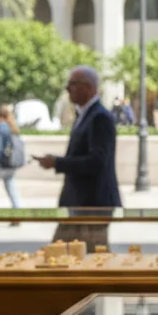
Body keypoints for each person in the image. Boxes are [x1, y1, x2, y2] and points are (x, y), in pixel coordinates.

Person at [34, 66, 121, 246]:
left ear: (89, 88)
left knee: (86, 259)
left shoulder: (99, 117)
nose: (68, 89)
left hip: (92, 204)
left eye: (73, 84)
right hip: (79, 203)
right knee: (64, 256)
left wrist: (58, 163)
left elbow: (97, 161)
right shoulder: (85, 115)